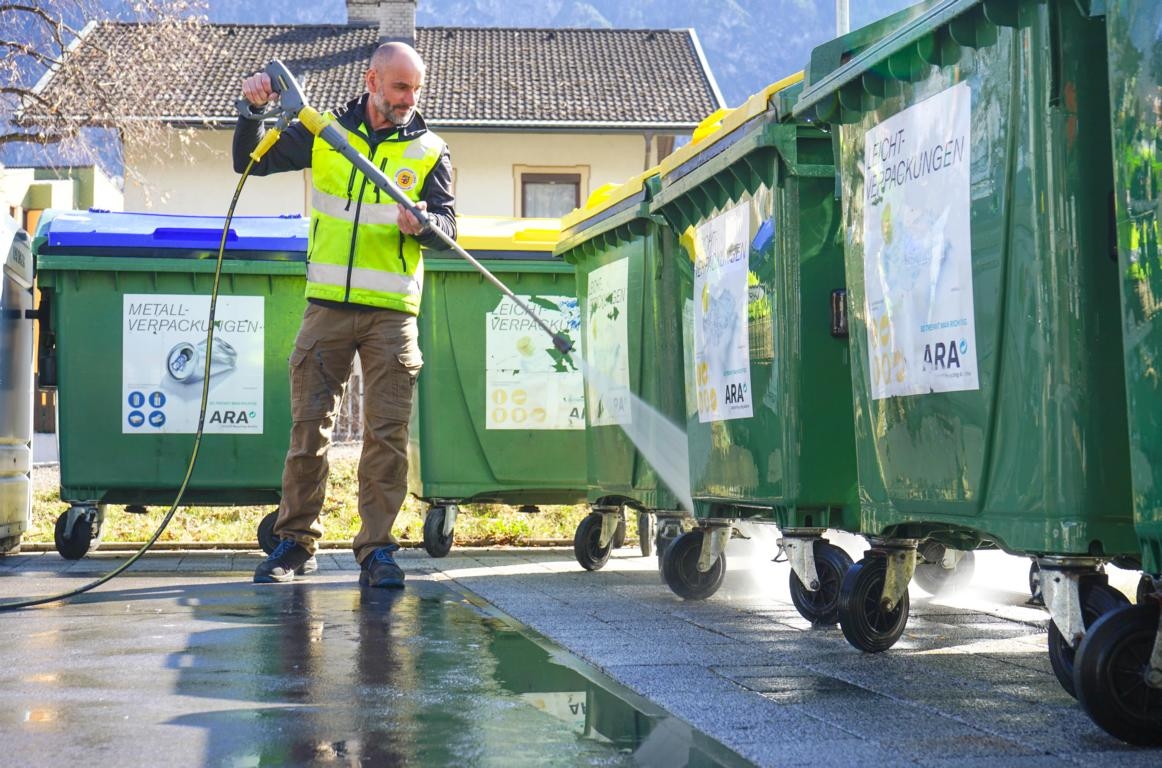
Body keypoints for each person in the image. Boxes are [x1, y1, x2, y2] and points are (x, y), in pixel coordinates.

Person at [233, 42, 456, 588]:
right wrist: (252, 111)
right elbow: (248, 162)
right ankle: (294, 545)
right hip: (327, 307)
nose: (410, 98)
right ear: (372, 79)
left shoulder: (431, 150)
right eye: (400, 86)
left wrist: (425, 224)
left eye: (416, 88)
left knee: (386, 435)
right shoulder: (322, 132)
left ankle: (377, 550)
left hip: (392, 314)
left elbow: (451, 231)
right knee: (309, 430)